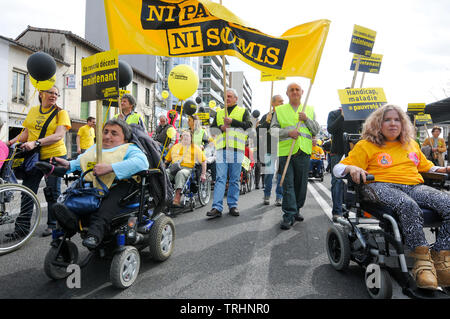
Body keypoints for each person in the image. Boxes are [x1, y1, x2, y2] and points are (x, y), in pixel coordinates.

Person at [333, 104, 450, 289]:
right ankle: (421, 262)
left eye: (397, 120)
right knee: (407, 205)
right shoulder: (365, 145)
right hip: (378, 185)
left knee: (448, 203)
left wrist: (442, 169)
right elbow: (338, 168)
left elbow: (426, 166)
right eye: (387, 120)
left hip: (413, 185)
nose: (393, 123)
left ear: (403, 124)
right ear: (378, 124)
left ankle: (441, 256)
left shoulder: (412, 144)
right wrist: (352, 168)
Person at [53, 119, 149, 249]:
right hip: (95, 185)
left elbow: (141, 163)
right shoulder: (96, 148)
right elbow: (81, 161)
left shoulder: (130, 148)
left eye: (114, 133)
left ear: (125, 139)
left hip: (120, 186)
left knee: (106, 205)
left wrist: (110, 168)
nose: (107, 136)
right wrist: (67, 164)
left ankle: (95, 234)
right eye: (105, 132)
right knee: (73, 198)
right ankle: (71, 223)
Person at [7, 85, 71, 237]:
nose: (54, 95)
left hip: (54, 156)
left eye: (56, 93)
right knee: (28, 191)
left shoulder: (61, 113)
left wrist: (35, 143)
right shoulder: (34, 111)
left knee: (52, 192)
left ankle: (52, 225)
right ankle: (21, 229)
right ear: (41, 94)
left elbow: (59, 135)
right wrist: (9, 143)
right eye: (51, 92)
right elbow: (27, 133)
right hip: (34, 156)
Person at [270, 83, 320, 229]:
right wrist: (287, 133)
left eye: (297, 89)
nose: (294, 92)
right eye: (291, 90)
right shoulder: (279, 110)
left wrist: (306, 119)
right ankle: (288, 215)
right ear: (287, 93)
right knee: (288, 183)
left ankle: (297, 208)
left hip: (303, 151)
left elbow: (316, 129)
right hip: (286, 151)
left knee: (301, 184)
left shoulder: (309, 109)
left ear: (302, 92)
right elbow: (273, 131)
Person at [206, 88, 252, 218]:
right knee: (220, 179)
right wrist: (221, 128)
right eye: (225, 96)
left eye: (230, 96)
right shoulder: (219, 112)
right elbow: (212, 130)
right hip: (221, 149)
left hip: (236, 149)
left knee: (234, 179)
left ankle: (232, 205)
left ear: (236, 99)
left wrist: (232, 122)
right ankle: (217, 207)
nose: (227, 98)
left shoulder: (243, 111)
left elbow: (248, 126)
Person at [327, 107, 361, 217]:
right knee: (337, 182)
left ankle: (358, 210)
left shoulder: (358, 113)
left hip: (354, 152)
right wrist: (341, 116)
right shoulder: (333, 113)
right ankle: (337, 211)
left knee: (356, 180)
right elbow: (331, 129)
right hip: (337, 152)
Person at [165, 130, 207, 207]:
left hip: (187, 169)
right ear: (181, 137)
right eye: (183, 135)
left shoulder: (195, 148)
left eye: (187, 135)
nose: (185, 137)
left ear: (191, 138)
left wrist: (203, 174)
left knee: (180, 173)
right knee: (165, 174)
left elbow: (203, 161)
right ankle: (163, 196)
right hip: (174, 167)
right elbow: (167, 161)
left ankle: (177, 198)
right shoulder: (175, 147)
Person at [257, 94, 284, 206]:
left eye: (283, 102)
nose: (282, 103)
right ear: (273, 104)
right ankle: (267, 194)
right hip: (269, 148)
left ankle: (279, 196)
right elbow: (259, 132)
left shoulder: (285, 115)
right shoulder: (266, 116)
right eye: (280, 102)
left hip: (283, 148)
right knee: (269, 173)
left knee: (281, 174)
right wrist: (267, 122)